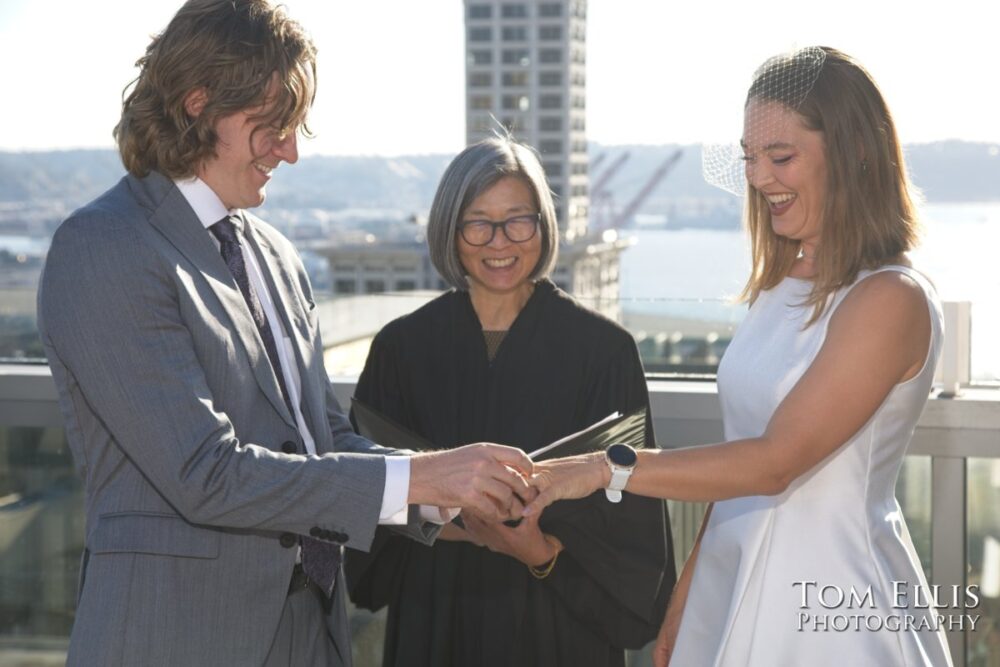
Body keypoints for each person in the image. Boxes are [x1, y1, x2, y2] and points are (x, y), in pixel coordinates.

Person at [36, 2, 533, 665]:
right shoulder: (103, 248)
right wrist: (420, 479)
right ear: (196, 105)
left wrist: (447, 493)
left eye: (294, 128)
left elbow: (324, 441)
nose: (291, 152)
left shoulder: (277, 255)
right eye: (272, 126)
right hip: (174, 638)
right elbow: (204, 472)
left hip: (312, 633)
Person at [524, 47, 954, 666]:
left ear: (857, 151)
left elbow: (774, 463)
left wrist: (603, 468)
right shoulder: (782, 283)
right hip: (734, 578)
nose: (757, 178)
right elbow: (741, 460)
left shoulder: (890, 299)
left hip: (830, 610)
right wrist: (689, 598)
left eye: (780, 157)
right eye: (751, 158)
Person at [344, 136, 676, 667]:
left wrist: (537, 551)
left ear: (543, 227)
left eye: (518, 220)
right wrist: (463, 522)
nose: (499, 241)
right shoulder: (401, 349)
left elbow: (630, 522)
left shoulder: (605, 351)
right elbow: (366, 498)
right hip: (437, 616)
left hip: (561, 624)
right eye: (478, 222)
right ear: (450, 232)